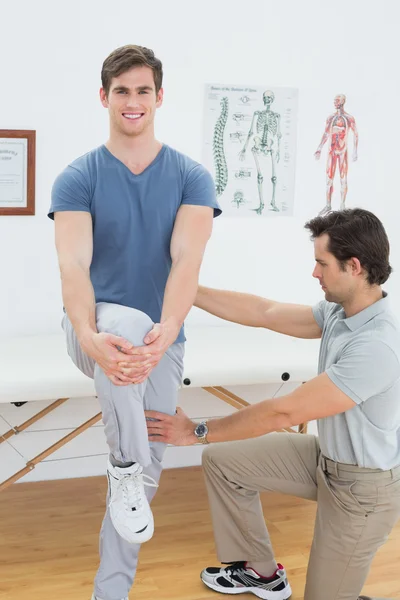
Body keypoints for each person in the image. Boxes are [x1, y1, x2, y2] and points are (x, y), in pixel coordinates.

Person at [146, 208, 400, 600]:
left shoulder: (376, 345)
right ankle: (261, 573)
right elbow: (264, 312)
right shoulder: (341, 312)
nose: (314, 273)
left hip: (363, 490)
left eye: (321, 263)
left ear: (354, 266)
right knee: (224, 462)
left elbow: (284, 412)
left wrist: (197, 432)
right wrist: (185, 289)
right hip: (325, 460)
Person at [48, 44, 221, 600]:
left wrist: (167, 331)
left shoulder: (191, 176)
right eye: (121, 90)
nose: (132, 101)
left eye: (142, 90)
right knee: (123, 324)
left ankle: (110, 591)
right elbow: (73, 264)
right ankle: (121, 462)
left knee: (144, 473)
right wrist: (88, 335)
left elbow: (186, 260)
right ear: (104, 97)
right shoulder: (78, 177)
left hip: (161, 339)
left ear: (159, 97)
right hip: (95, 329)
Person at [315, 94, 359, 215]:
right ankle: (328, 205)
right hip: (331, 151)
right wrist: (319, 148)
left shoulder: (349, 118)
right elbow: (326, 134)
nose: (335, 102)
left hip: (342, 151)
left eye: (337, 100)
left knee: (343, 178)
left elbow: (355, 134)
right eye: (334, 100)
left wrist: (355, 150)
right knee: (329, 179)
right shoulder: (331, 118)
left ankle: (342, 206)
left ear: (343, 101)